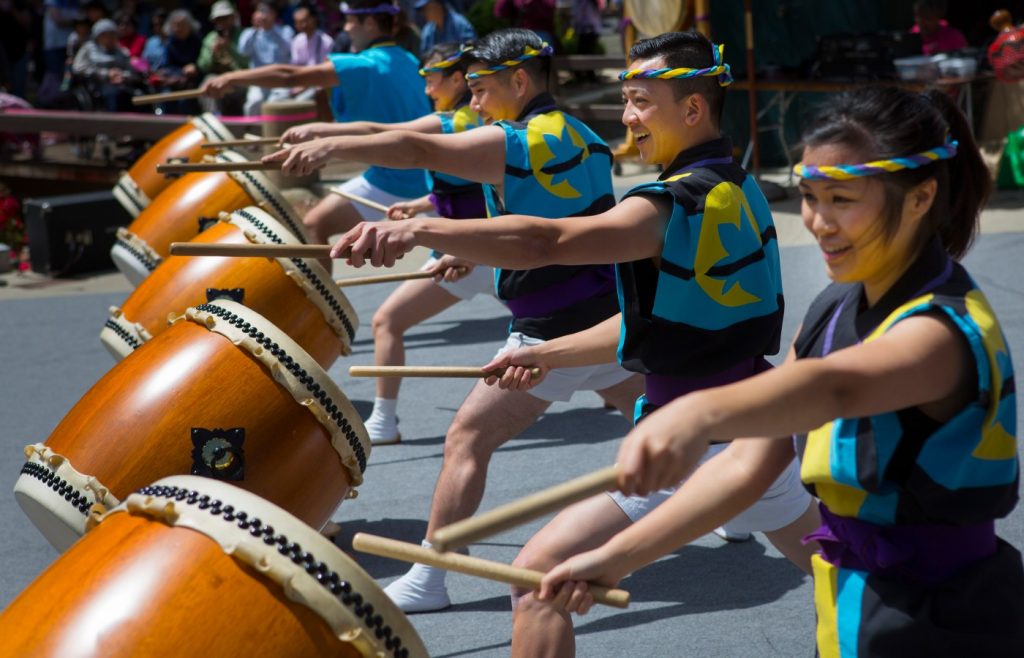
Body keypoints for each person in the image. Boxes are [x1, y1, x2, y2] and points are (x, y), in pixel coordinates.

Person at [327, 31, 820, 633]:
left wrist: (426, 231)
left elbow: (547, 241)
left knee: (538, 584)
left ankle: (430, 579)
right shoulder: (739, 187)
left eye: (641, 101)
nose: (627, 116)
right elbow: (661, 322)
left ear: (692, 109)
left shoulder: (672, 204)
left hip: (696, 444)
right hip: (755, 429)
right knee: (847, 584)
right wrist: (551, 357)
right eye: (626, 100)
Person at [535, 86, 1024, 656]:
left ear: (921, 198)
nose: (818, 222)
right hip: (853, 610)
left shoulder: (941, 330)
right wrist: (614, 558)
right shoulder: (835, 308)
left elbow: (834, 388)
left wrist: (698, 410)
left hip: (946, 623)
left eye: (843, 199)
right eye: (811, 197)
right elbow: (746, 462)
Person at [273, 27, 649, 613]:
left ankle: (429, 579)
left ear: (520, 81)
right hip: (605, 322)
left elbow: (423, 153)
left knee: (467, 437)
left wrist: (331, 148)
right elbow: (549, 224)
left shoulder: (519, 140)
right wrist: (472, 251)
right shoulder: (581, 137)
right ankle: (745, 505)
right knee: (663, 424)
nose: (472, 102)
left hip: (548, 330)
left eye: (481, 87)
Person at [279, 41, 492, 445]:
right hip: (479, 248)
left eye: (431, 80)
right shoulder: (470, 123)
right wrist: (419, 203)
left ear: (456, 79)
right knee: (544, 330)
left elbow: (381, 133)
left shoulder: (451, 124)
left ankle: (384, 422)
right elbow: (469, 188)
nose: (427, 90)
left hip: (474, 249)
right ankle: (617, 382)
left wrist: (323, 134)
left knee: (387, 321)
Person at [203, 0, 432, 252]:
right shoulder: (408, 59)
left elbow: (291, 76)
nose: (345, 29)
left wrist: (232, 77)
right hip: (421, 171)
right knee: (314, 224)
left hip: (397, 178)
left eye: (349, 22)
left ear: (369, 23)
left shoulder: (364, 65)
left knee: (312, 226)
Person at [71, 17, 141, 112]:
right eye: (105, 35)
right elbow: (78, 68)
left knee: (138, 96)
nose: (110, 38)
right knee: (113, 95)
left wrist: (122, 76)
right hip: (97, 87)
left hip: (123, 86)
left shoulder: (122, 51)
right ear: (97, 36)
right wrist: (106, 74)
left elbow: (132, 72)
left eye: (112, 35)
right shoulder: (88, 49)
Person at [238, 1, 295, 115]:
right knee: (253, 104)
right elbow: (243, 52)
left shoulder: (285, 30)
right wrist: (255, 29)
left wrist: (271, 29)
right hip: (258, 79)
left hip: (280, 79)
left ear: (274, 14)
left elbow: (287, 50)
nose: (262, 15)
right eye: (259, 11)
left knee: (275, 104)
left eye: (265, 11)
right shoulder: (249, 33)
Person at [198, 1, 248, 115]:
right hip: (218, 77)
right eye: (219, 19)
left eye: (225, 18)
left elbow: (249, 63)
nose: (222, 22)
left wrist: (230, 48)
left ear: (233, 17)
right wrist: (213, 53)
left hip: (241, 77)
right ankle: (215, 121)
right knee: (207, 85)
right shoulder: (210, 38)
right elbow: (203, 66)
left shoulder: (244, 35)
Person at [156, 9, 203, 114]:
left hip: (193, 80)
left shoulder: (197, 41)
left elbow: (203, 63)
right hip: (175, 80)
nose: (179, 29)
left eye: (182, 25)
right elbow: (166, 65)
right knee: (166, 97)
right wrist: (180, 72)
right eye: (176, 25)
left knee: (186, 101)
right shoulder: (169, 43)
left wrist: (195, 67)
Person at [141, 9, 168, 73]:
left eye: (161, 23)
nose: (158, 27)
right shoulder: (150, 42)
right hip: (151, 77)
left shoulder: (175, 42)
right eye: (155, 24)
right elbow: (144, 62)